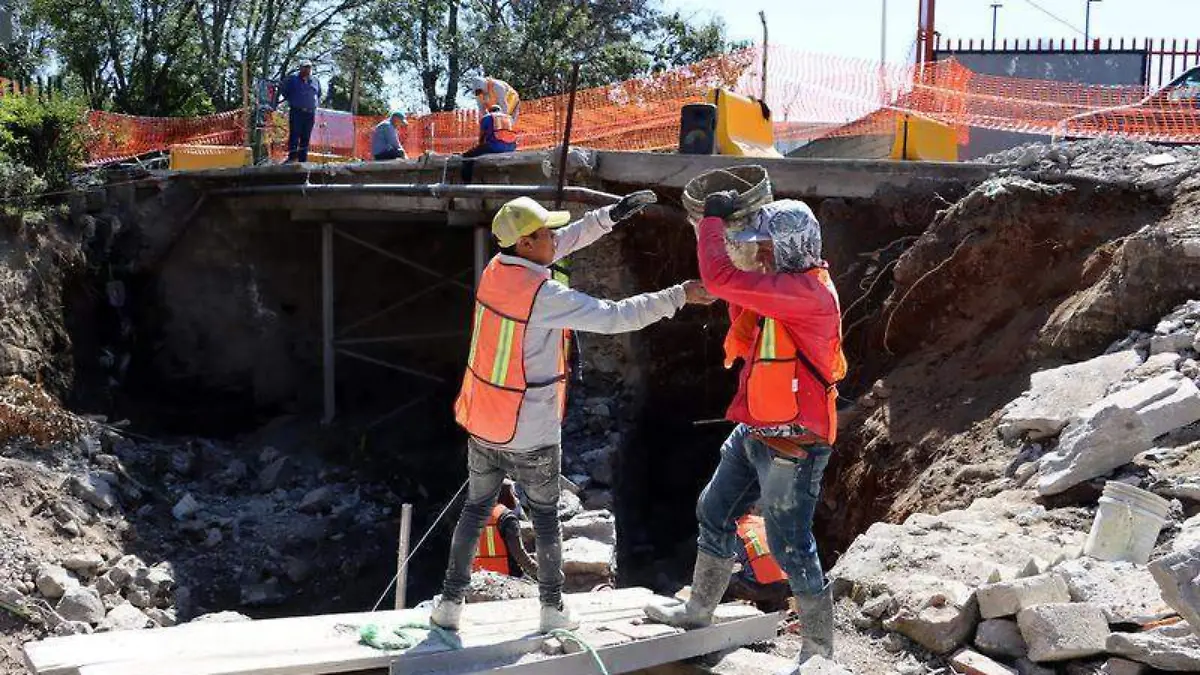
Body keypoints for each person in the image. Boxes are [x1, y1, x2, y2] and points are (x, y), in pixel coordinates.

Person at [431, 191, 716, 634]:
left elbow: (560, 243)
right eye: (545, 232)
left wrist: (609, 216)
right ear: (526, 244)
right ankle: (552, 609)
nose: (555, 238)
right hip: (529, 426)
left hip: (483, 417)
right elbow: (616, 315)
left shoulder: (496, 271)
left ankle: (449, 605)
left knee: (475, 511)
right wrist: (679, 294)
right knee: (545, 518)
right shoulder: (542, 295)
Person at [643, 191, 847, 670]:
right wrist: (718, 231)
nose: (761, 255)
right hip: (757, 430)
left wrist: (711, 222)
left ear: (790, 248)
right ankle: (698, 612)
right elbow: (733, 285)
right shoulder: (785, 284)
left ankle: (819, 653)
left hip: (794, 444)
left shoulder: (808, 295)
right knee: (713, 510)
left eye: (767, 247)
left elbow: (720, 277)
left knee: (789, 544)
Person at [472, 480, 539, 579]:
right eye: (512, 492)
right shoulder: (507, 517)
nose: (515, 498)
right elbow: (520, 555)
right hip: (506, 577)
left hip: (480, 577)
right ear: (505, 494)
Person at [728, 512, 791, 612]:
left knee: (719, 579)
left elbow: (731, 563)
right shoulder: (764, 522)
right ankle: (774, 612)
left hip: (757, 588)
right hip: (782, 584)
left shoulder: (732, 529)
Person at [460, 105, 517, 183]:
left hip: (495, 146)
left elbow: (482, 136)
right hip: (511, 147)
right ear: (500, 111)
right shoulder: (509, 118)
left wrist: (478, 147)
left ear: (490, 111)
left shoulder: (487, 117)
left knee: (467, 156)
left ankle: (466, 182)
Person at [280, 59, 321, 163]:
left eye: (309, 67)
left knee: (306, 137)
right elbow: (284, 91)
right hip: (297, 112)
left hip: (310, 113)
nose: (307, 69)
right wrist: (294, 100)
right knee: (295, 134)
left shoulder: (315, 80)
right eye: (305, 67)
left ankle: (303, 160)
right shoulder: (293, 79)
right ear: (300, 68)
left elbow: (318, 94)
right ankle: (292, 158)